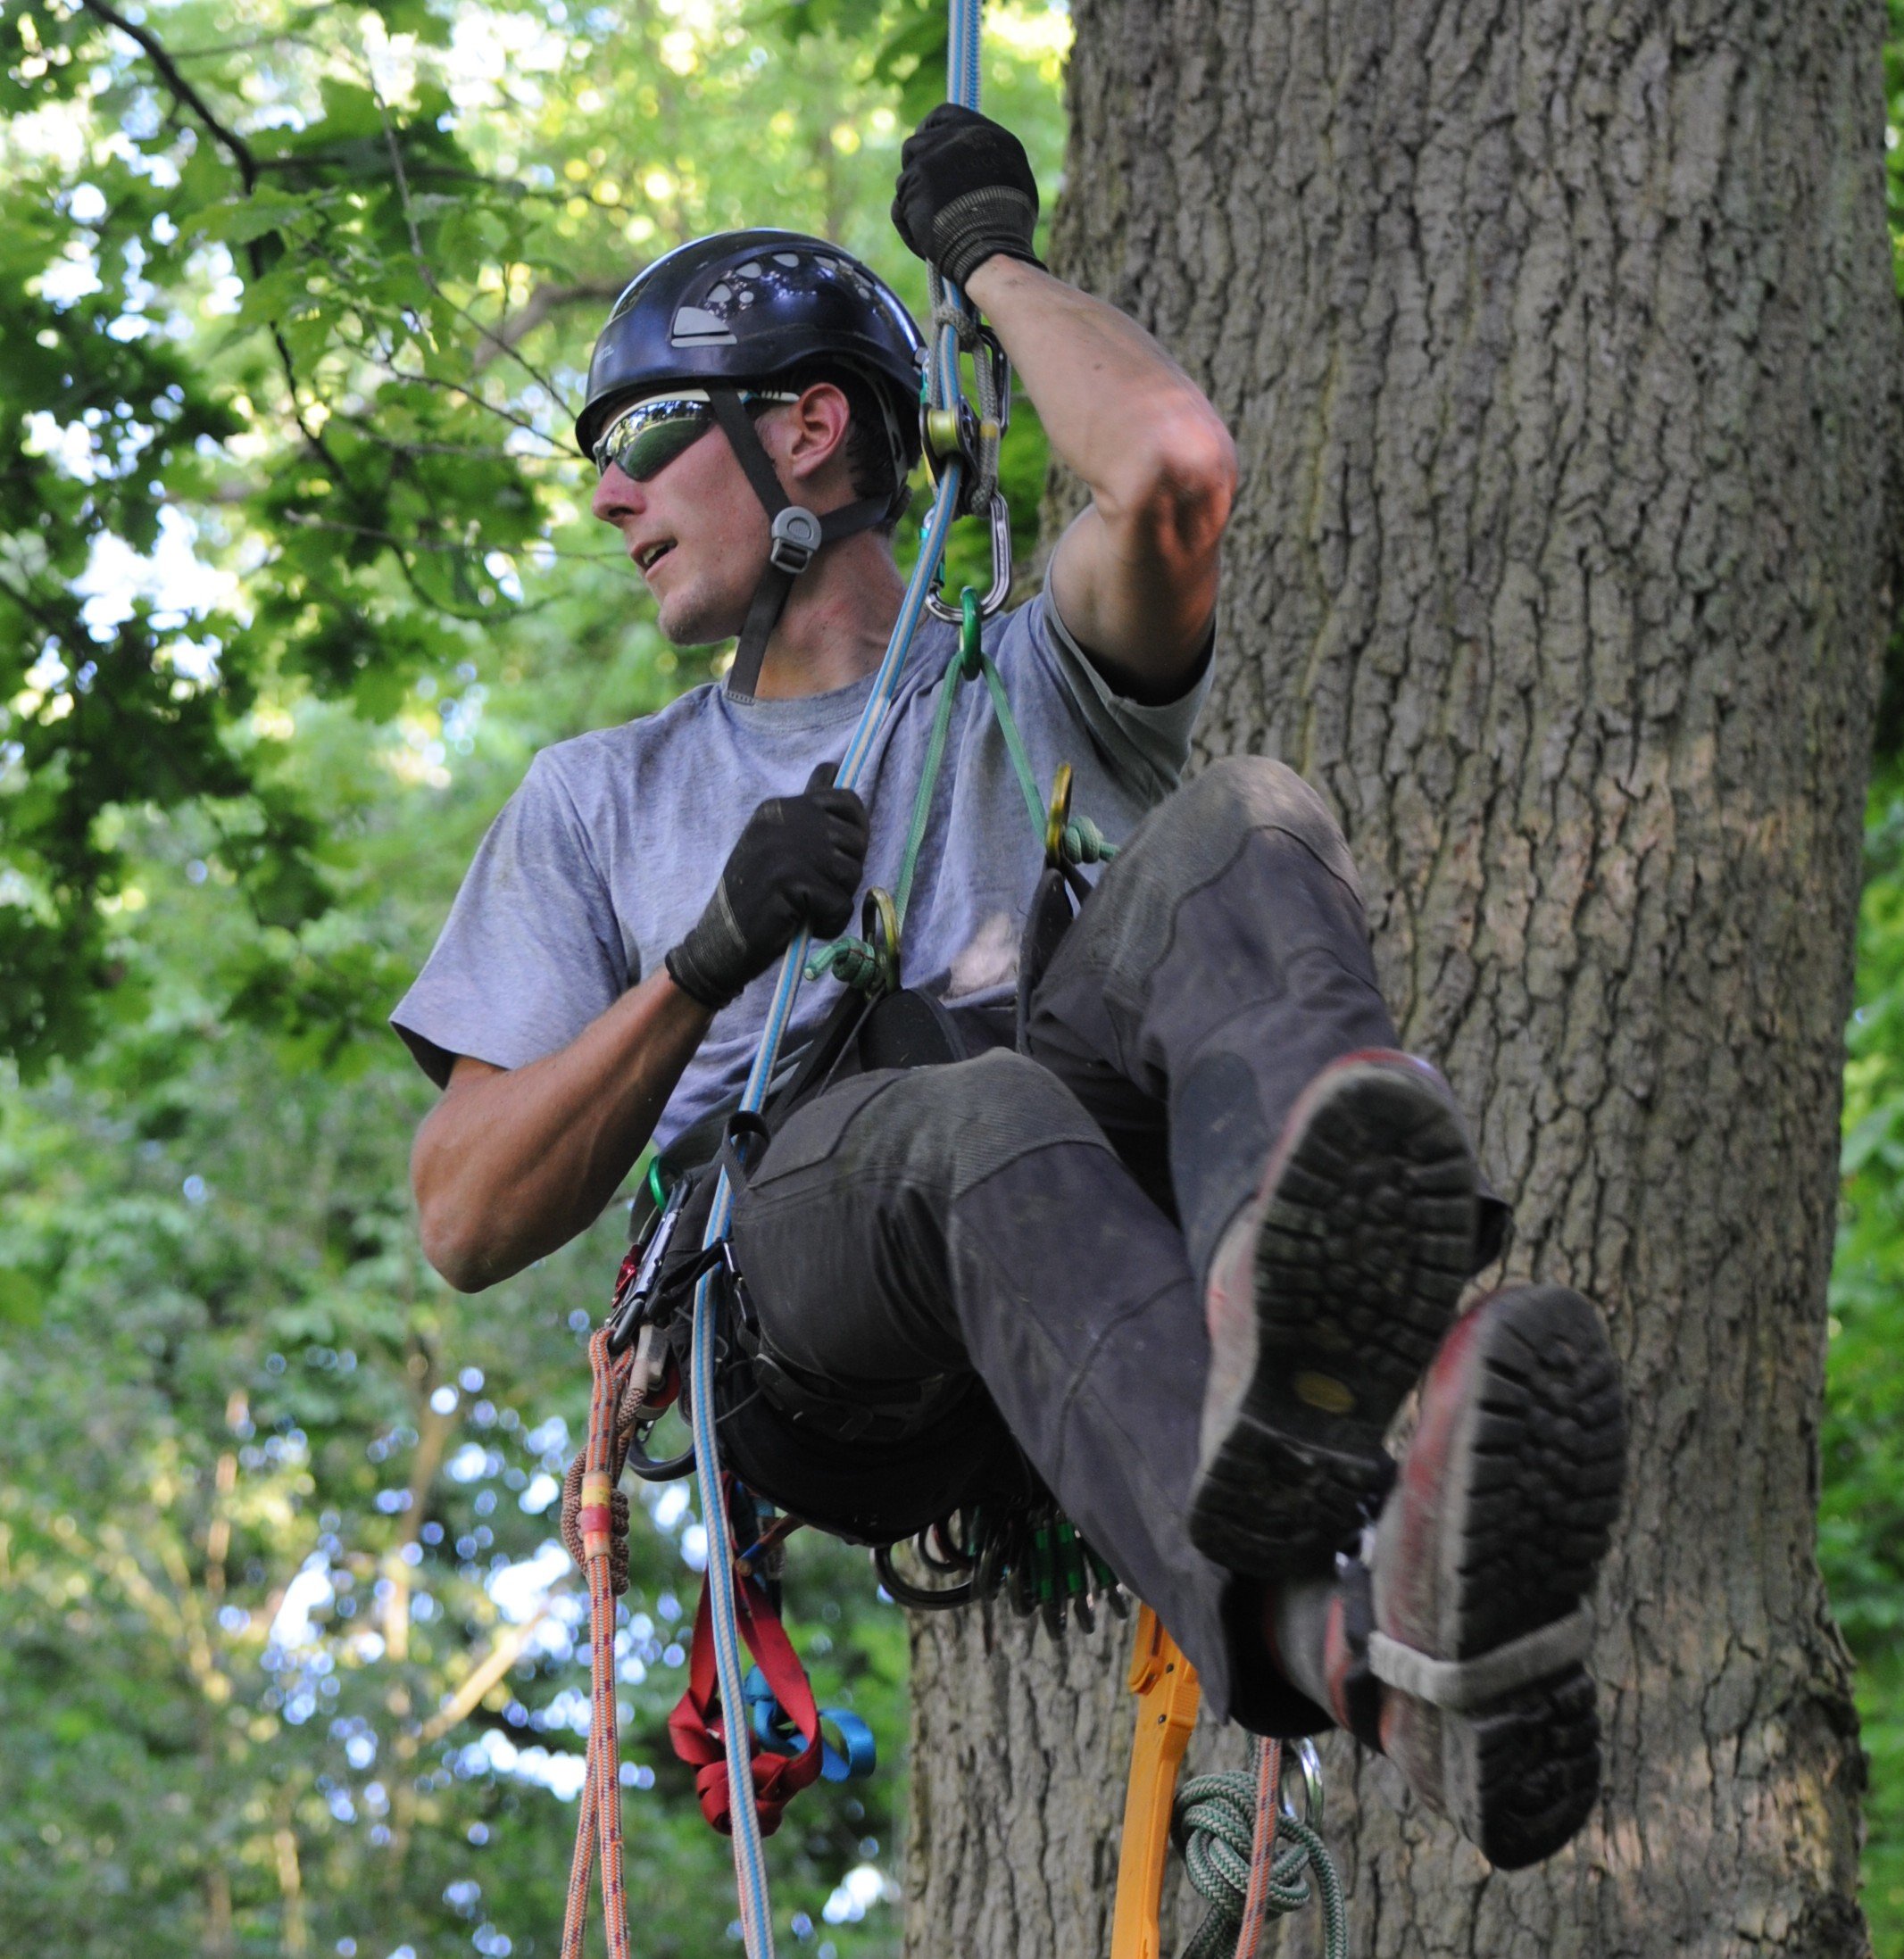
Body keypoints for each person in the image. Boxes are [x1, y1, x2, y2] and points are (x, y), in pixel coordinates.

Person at [395, 106, 1628, 1871]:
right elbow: (459, 1211)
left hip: (1079, 1227)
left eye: (649, 438)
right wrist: (703, 966)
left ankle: (1304, 1375)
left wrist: (984, 255)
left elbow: (1175, 469)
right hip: (816, 1309)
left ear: (805, 429)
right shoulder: (598, 801)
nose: (608, 494)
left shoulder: (1027, 680)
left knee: (1246, 826)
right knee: (978, 1114)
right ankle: (1310, 1634)